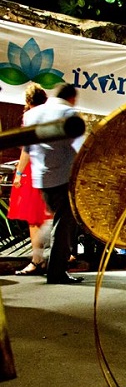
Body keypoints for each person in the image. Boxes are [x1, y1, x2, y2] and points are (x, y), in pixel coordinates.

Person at [24, 83, 85, 284]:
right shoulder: (69, 113)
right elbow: (80, 147)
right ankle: (57, 272)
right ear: (72, 98)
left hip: (41, 178)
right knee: (64, 225)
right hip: (64, 177)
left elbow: (28, 147)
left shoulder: (32, 114)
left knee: (56, 220)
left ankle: (42, 252)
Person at [9, 83, 52, 276]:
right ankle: (57, 255)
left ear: (28, 101)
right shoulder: (51, 117)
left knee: (33, 218)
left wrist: (19, 173)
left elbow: (27, 149)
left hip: (32, 170)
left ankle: (37, 260)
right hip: (49, 169)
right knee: (46, 216)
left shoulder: (32, 117)